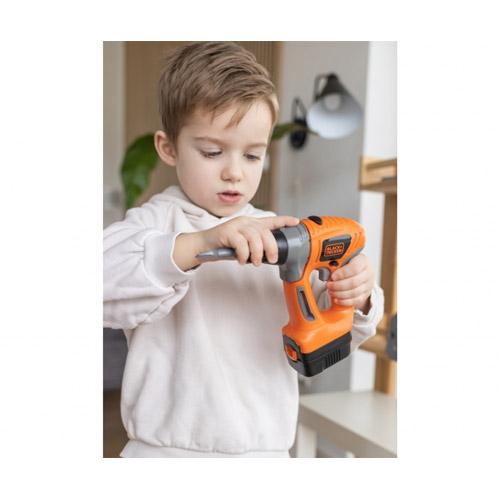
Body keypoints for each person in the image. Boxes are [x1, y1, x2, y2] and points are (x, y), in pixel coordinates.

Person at [104, 41, 384, 458]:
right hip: (166, 456)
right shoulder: (155, 224)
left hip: (265, 453)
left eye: (253, 156)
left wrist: (355, 295)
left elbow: (333, 328)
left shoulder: (279, 233)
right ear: (168, 148)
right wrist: (202, 243)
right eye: (212, 152)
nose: (234, 171)